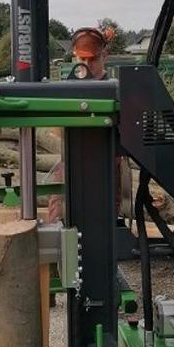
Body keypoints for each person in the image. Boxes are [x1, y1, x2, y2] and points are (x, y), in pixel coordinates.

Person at [48, 27, 115, 223]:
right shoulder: (68, 88)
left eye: (93, 60)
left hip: (106, 163)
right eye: (82, 60)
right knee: (57, 215)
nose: (87, 66)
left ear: (105, 56)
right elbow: (57, 131)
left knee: (104, 218)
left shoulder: (114, 89)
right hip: (70, 160)